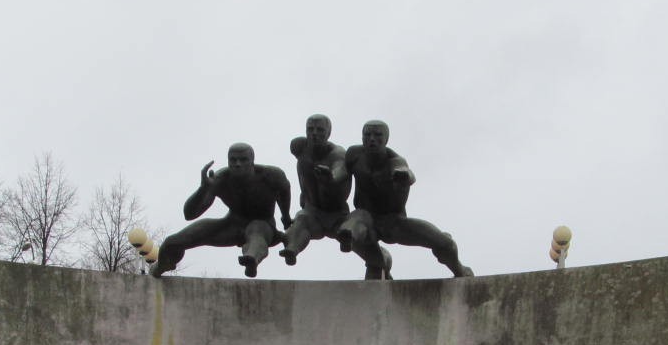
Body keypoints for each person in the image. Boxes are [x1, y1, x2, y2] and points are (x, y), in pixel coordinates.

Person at [341, 120, 472, 278]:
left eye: (377, 135)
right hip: (365, 220)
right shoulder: (354, 155)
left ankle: (459, 270)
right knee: (355, 221)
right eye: (367, 135)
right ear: (362, 138)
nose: (372, 139)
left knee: (444, 243)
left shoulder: (394, 161)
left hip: (393, 222)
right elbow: (340, 174)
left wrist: (403, 176)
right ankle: (352, 239)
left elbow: (406, 172)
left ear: (386, 139)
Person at [150, 144, 292, 277]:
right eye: (233, 160)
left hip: (263, 226)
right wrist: (203, 189)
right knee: (172, 242)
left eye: (243, 160)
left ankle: (251, 260)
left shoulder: (271, 175)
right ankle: (164, 265)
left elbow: (285, 191)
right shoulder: (220, 179)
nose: (237, 164)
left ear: (252, 162)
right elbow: (189, 214)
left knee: (256, 230)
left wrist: (285, 217)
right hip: (232, 225)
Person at [280, 113, 393, 278]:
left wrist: (331, 178)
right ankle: (291, 250)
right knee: (300, 223)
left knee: (360, 243)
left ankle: (382, 260)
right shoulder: (299, 147)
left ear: (328, 133)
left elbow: (341, 169)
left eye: (320, 130)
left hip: (337, 215)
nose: (314, 133)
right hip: (312, 212)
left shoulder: (337, 153)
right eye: (310, 129)